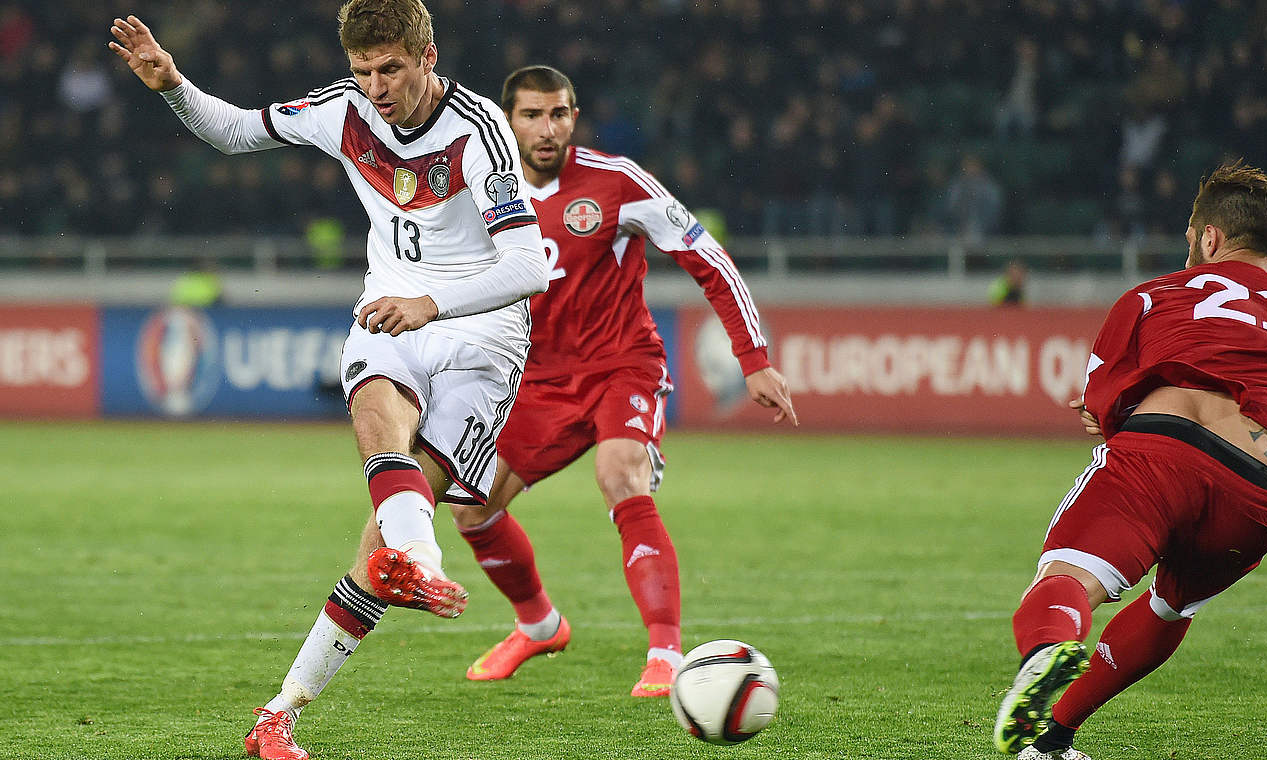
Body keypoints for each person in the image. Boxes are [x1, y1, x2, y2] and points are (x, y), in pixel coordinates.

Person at [109, 4, 548, 759]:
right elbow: (238, 130)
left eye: (392, 69)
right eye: (364, 70)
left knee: (383, 535)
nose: (376, 87)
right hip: (389, 313)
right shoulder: (341, 110)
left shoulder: (479, 130)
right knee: (380, 428)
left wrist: (430, 302)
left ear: (427, 56)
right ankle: (421, 567)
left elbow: (529, 266)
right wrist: (173, 84)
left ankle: (280, 708)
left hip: (484, 337)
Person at [443, 65, 798, 697]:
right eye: (531, 115)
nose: (546, 129)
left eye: (559, 114)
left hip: (620, 365)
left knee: (619, 473)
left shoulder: (617, 182)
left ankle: (665, 652)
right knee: (471, 507)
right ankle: (539, 624)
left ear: (573, 118)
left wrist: (753, 356)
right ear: (506, 122)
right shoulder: (473, 195)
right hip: (535, 383)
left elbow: (707, 258)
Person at [994, 161, 1267, 760]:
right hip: (1256, 492)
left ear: (1209, 237)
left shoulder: (1152, 295)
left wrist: (1103, 413)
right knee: (1171, 604)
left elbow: (1103, 399)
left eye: (1190, 237)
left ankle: (1049, 649)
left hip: (1162, 453)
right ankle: (1053, 741)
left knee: (1067, 582)